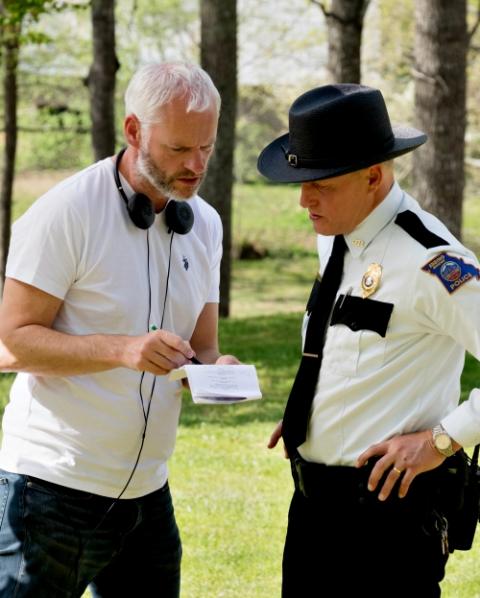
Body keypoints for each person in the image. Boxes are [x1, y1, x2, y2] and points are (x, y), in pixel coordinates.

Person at [0, 61, 239, 597]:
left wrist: (214, 372)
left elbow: (201, 349)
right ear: (134, 131)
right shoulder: (65, 212)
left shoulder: (207, 223)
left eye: (207, 147)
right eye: (180, 149)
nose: (196, 165)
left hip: (147, 497)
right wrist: (124, 349)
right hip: (50, 491)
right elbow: (10, 342)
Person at [260, 83, 480, 597]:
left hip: (389, 523)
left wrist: (443, 440)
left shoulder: (432, 262)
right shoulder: (336, 235)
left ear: (374, 177)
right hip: (312, 512)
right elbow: (348, 344)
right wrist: (313, 407)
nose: (303, 198)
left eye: (321, 183)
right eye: (301, 179)